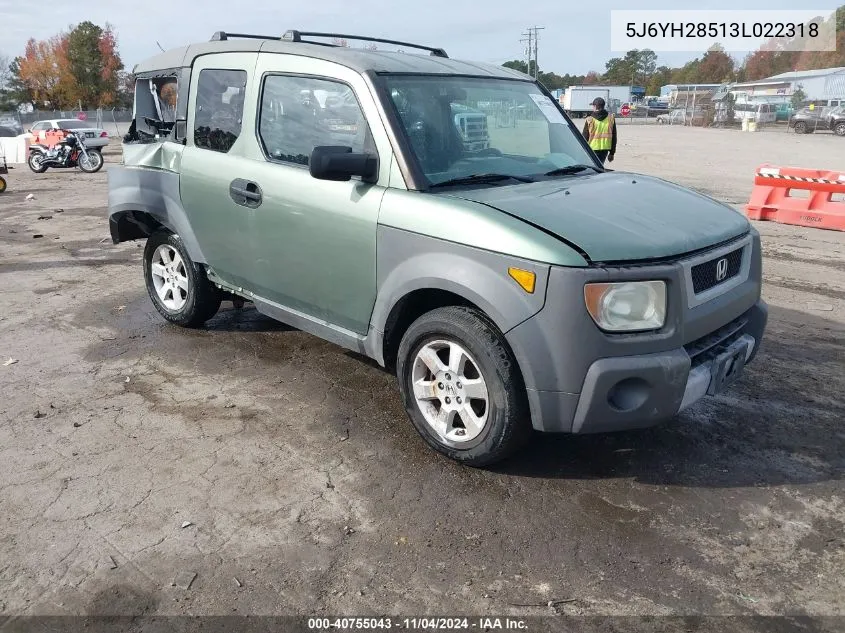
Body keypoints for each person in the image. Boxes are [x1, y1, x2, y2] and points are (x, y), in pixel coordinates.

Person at [582, 97, 617, 165]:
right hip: (605, 149)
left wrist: (582, 151)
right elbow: (614, 137)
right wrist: (612, 153)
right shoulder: (611, 118)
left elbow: (584, 137)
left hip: (592, 149)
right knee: (600, 167)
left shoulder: (589, 119)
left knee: (592, 169)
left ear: (595, 106)